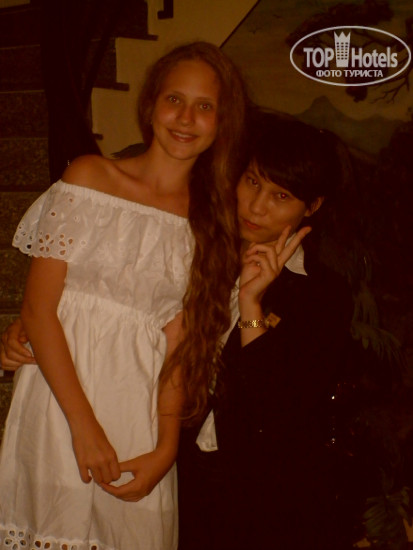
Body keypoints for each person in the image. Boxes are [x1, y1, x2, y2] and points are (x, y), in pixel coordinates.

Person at [0, 41, 249, 550]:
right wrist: (84, 426)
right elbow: (39, 311)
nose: (186, 118)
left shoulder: (212, 220)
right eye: (174, 99)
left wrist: (166, 448)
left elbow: (180, 345)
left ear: (222, 122)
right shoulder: (90, 176)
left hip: (139, 410)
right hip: (60, 401)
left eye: (205, 106)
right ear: (151, 104)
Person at [177, 111, 356, 550]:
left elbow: (275, 408)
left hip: (266, 497)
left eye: (281, 195)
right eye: (253, 182)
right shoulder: (196, 254)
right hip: (183, 476)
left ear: (311, 207)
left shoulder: (323, 294)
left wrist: (251, 306)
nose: (257, 206)